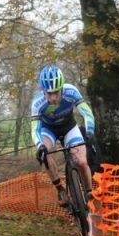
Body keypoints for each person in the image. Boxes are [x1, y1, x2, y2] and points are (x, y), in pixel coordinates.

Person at [31, 66, 95, 206]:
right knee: (44, 154)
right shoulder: (37, 103)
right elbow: (35, 128)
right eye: (49, 93)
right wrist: (40, 145)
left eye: (56, 92)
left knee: (82, 162)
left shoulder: (71, 91)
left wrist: (89, 131)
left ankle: (90, 192)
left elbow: (86, 112)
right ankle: (60, 188)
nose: (53, 97)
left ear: (61, 88)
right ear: (43, 91)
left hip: (69, 127)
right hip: (49, 130)